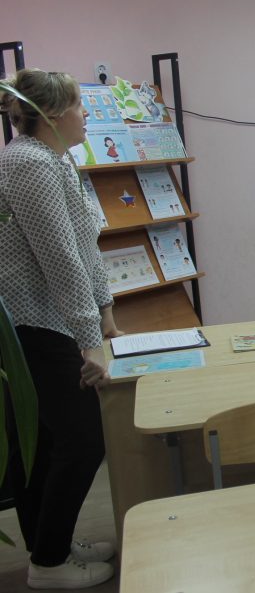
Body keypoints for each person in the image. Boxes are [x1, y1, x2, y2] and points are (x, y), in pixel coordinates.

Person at [0, 69, 122, 589]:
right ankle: (48, 563)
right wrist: (89, 340)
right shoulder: (28, 163)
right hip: (31, 326)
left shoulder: (54, 159)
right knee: (81, 441)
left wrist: (106, 311)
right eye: (78, 106)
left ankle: (49, 545)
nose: (86, 114)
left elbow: (83, 244)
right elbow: (60, 260)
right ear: (52, 115)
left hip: (54, 321)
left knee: (50, 442)